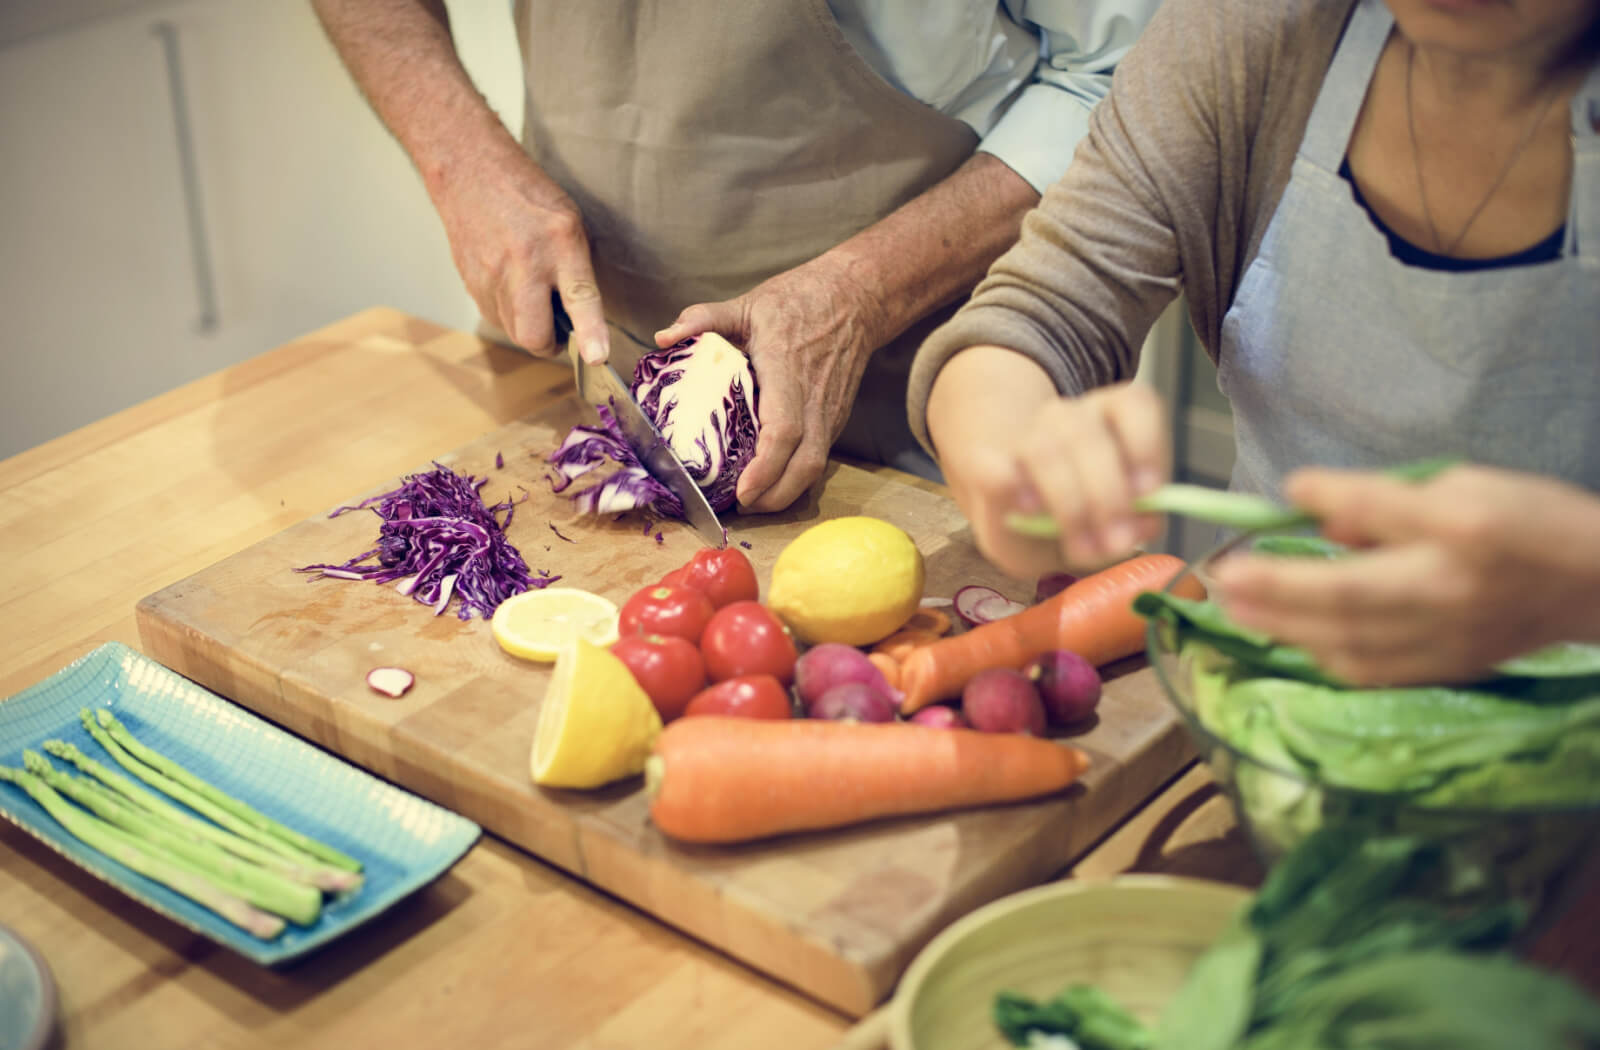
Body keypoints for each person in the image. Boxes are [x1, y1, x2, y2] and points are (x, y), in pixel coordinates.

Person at [912, 0, 1600, 685]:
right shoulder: (1250, 29)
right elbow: (1039, 315)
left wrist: (1578, 580)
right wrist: (1010, 453)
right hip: (1262, 694)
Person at [310, 0, 1161, 512]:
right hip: (573, 352)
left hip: (947, 391)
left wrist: (859, 294)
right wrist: (463, 163)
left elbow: (1124, 77)